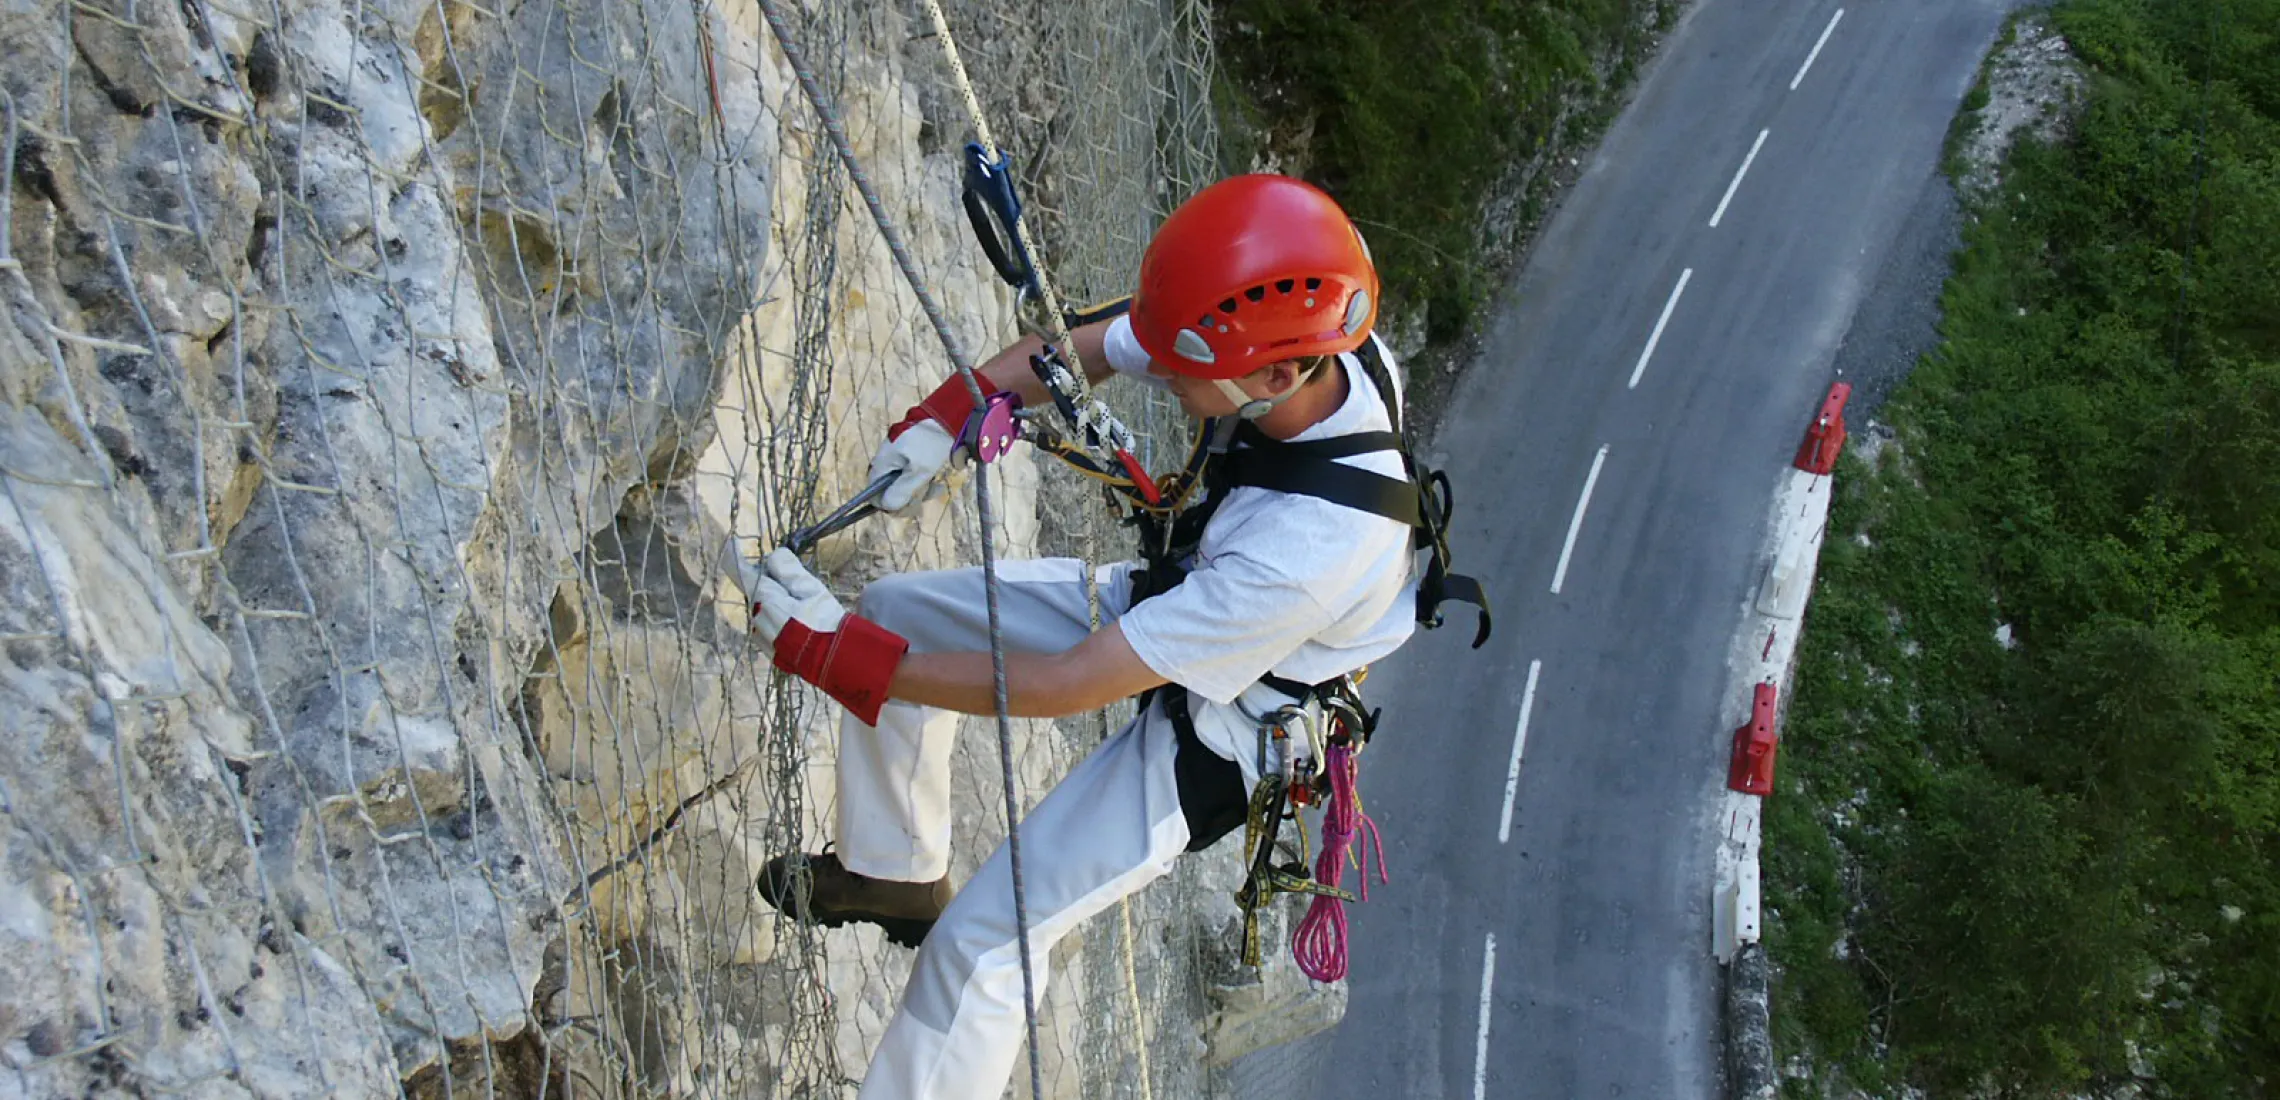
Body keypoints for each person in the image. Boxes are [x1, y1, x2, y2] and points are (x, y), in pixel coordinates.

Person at [731, 175, 1423, 1099]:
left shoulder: (1312, 551)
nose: (1163, 376)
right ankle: (893, 872)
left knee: (986, 944)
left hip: (1232, 730)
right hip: (1186, 598)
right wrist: (951, 411)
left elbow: (1066, 684)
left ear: (1269, 379)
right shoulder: (1304, 351)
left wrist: (841, 660)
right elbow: (1085, 351)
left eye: (1182, 369)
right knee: (895, 609)